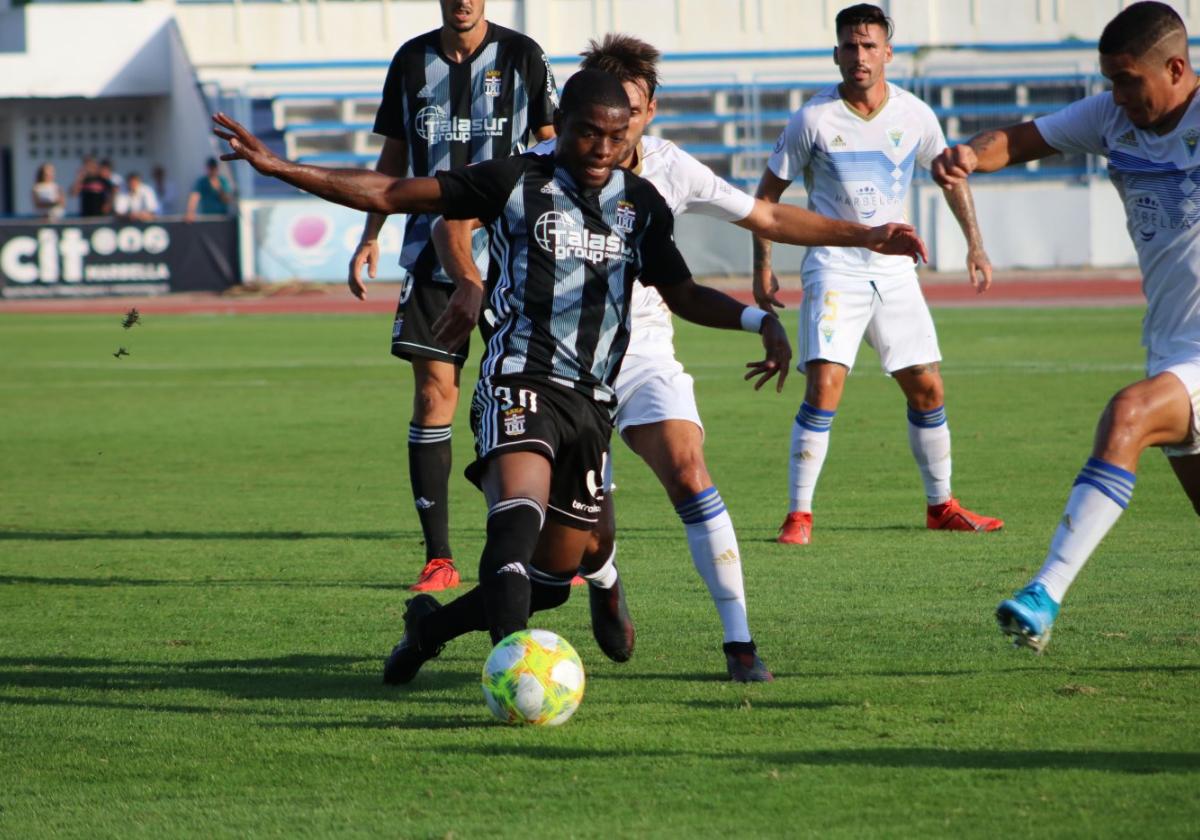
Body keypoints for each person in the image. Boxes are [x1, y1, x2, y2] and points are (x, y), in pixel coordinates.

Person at [211, 68, 792, 685]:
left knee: (549, 583)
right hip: (521, 378)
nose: (601, 149)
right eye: (588, 133)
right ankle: (516, 676)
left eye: (616, 137)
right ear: (560, 127)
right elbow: (391, 193)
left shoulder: (640, 205)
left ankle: (429, 630)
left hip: (593, 402)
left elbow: (683, 294)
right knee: (516, 521)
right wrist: (280, 168)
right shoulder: (515, 179)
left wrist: (759, 322)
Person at [433, 34, 928, 681]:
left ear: (649, 109)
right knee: (575, 555)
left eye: (633, 110)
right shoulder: (540, 165)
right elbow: (453, 217)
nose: (620, 125)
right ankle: (604, 577)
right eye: (607, 113)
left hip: (644, 360)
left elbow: (766, 218)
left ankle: (740, 644)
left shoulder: (668, 170)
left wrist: (866, 235)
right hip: (557, 372)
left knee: (691, 471)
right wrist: (469, 279)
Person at [933, 1, 1200, 652]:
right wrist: (969, 154)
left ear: (1175, 67)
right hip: (1171, 343)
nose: (1117, 94)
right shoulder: (1112, 116)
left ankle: (1044, 591)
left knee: (1127, 417)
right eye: (1109, 80)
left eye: (1127, 80)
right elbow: (1021, 140)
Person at [752, 3, 1003, 546]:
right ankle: (799, 515)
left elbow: (951, 177)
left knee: (927, 387)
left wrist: (975, 247)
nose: (859, 56)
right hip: (834, 267)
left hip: (894, 272)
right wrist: (764, 270)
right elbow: (767, 199)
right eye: (849, 46)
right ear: (836, 52)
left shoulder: (914, 115)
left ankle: (941, 506)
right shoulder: (812, 119)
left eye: (869, 46)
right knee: (825, 387)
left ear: (887, 51)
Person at [347, 0, 559, 595]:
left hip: (517, 255)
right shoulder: (411, 61)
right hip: (430, 253)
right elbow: (392, 158)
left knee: (529, 393)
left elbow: (554, 143)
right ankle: (439, 555)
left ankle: (539, 531)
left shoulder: (522, 56)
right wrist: (371, 234)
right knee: (433, 392)